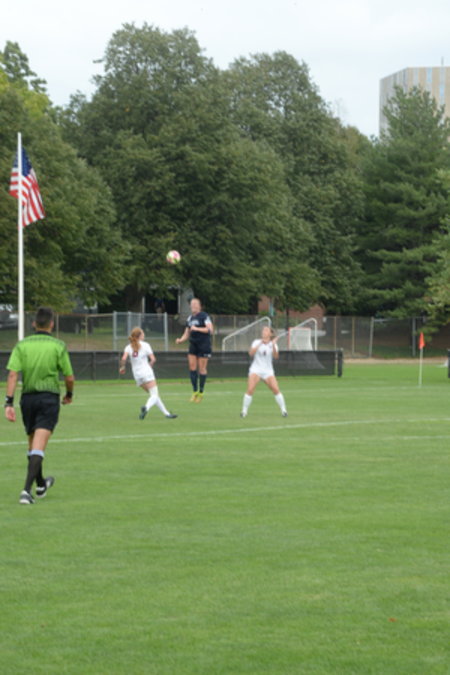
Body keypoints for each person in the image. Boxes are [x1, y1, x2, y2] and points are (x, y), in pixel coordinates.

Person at [4, 306, 75, 505]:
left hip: (27, 400)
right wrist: (69, 394)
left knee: (33, 444)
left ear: (34, 324)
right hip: (48, 399)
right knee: (38, 446)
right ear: (52, 324)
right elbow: (69, 377)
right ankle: (26, 491)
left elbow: (12, 374)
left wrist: (8, 402)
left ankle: (41, 484)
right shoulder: (58, 345)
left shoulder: (22, 345)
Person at [119, 327, 177, 420]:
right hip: (146, 372)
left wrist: (122, 368)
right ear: (139, 336)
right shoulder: (146, 345)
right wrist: (150, 366)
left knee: (154, 395)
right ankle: (146, 407)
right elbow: (153, 359)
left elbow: (123, 359)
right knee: (154, 395)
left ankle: (167, 414)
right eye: (142, 333)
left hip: (137, 375)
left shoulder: (128, 347)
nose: (144, 335)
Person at [241, 325, 288, 418]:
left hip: (268, 371)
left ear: (270, 334)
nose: (263, 332)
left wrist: (273, 345)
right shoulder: (256, 342)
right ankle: (244, 411)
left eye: (266, 330)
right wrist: (260, 343)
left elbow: (276, 356)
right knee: (250, 389)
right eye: (263, 330)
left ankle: (284, 410)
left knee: (276, 389)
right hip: (256, 369)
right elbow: (251, 353)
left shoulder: (273, 344)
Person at [175, 298, 213, 402]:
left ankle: (201, 392)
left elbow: (210, 330)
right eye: (192, 304)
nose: (193, 306)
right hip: (193, 344)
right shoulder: (190, 318)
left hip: (204, 345)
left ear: (200, 306)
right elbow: (187, 333)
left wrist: (197, 329)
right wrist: (180, 340)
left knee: (202, 369)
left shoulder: (204, 316)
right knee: (192, 368)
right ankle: (194, 392)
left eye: (195, 304)